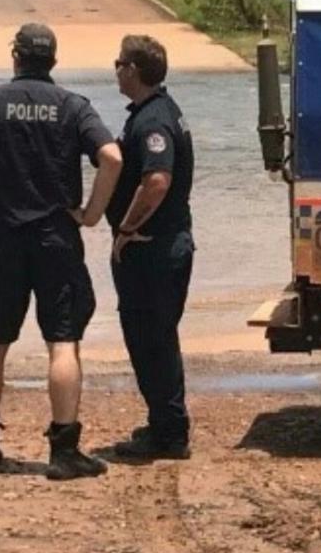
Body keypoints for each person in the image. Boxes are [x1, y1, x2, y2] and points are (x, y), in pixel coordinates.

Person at [0, 23, 123, 480]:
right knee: (62, 342)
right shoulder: (73, 107)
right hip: (57, 238)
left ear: (15, 56)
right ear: (53, 60)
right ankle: (63, 451)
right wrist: (93, 213)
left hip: (4, 238)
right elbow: (112, 157)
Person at [106, 34, 195, 459]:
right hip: (164, 245)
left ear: (133, 71)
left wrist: (125, 228)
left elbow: (157, 181)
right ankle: (164, 423)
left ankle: (170, 433)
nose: (116, 69)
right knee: (156, 337)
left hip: (152, 249)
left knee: (150, 338)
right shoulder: (157, 111)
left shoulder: (153, 122)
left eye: (119, 63)